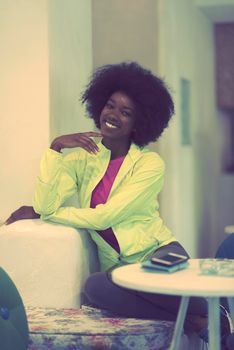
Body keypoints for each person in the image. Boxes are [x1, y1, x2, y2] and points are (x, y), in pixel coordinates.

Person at [6, 62, 231, 348]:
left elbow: (105, 217)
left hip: (157, 252)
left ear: (138, 123)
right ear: (99, 105)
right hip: (119, 266)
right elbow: (45, 203)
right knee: (94, 288)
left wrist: (52, 215)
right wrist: (55, 148)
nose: (113, 115)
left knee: (180, 291)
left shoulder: (150, 164)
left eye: (126, 112)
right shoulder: (81, 159)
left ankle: (209, 315)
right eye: (110, 106)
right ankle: (197, 322)